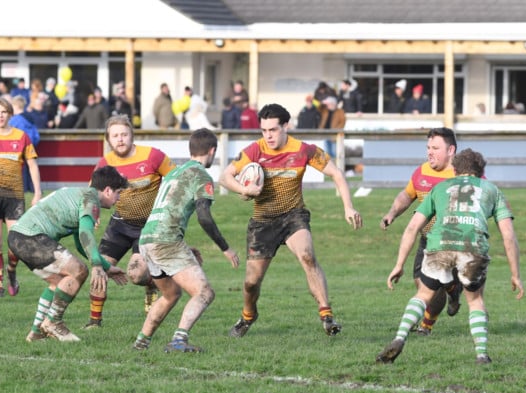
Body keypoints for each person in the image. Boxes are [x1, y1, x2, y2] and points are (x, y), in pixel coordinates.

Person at [219, 103, 363, 338]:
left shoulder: (303, 150)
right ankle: (248, 316)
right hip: (262, 222)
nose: (268, 136)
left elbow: (336, 173)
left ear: (286, 126)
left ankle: (327, 315)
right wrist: (244, 189)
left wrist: (348, 206)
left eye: (273, 130)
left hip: (293, 216)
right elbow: (224, 177)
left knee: (307, 256)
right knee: (251, 284)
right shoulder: (255, 150)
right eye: (264, 130)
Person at [376, 148, 524, 365]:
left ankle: (399, 337)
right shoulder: (493, 190)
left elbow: (412, 228)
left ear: (454, 170)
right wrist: (515, 274)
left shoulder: (439, 188)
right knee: (475, 300)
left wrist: (399, 264)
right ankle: (481, 355)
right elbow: (508, 236)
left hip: (440, 246)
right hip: (473, 249)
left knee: (423, 294)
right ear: (481, 172)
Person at [132, 128, 240, 352]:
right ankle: (179, 341)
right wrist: (226, 248)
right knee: (204, 292)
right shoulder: (201, 176)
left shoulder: (174, 172)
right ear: (212, 151)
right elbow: (204, 216)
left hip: (147, 239)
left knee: (170, 294)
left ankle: (141, 342)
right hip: (166, 240)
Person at [8, 166, 129, 342]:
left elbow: (80, 244)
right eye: (118, 193)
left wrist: (106, 267)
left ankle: (36, 332)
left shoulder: (79, 194)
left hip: (17, 237)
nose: (118, 199)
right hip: (30, 236)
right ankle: (53, 322)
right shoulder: (91, 200)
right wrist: (96, 265)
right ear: (108, 190)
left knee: (60, 282)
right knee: (79, 271)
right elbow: (85, 234)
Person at [83, 114, 177, 328]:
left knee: (136, 274)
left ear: (132, 135)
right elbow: (92, 192)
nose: (120, 139)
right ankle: (94, 322)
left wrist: (172, 208)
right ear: (108, 139)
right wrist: (93, 214)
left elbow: (177, 180)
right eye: (115, 136)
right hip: (119, 225)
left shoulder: (152, 156)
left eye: (124, 134)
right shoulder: (106, 163)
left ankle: (151, 282)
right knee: (98, 268)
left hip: (149, 227)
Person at [380, 127, 462, 336]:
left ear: (450, 150)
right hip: (428, 240)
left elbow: (485, 195)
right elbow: (407, 195)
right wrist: (392, 213)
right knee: (422, 284)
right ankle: (452, 292)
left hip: (456, 242)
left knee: (434, 285)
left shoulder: (462, 173)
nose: (429, 152)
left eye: (435, 148)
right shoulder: (422, 171)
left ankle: (426, 325)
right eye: (428, 147)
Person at [0, 97, 42, 298]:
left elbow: (32, 166)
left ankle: (11, 272)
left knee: (16, 244)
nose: (0, 116)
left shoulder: (21, 137)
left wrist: (37, 193)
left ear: (10, 114)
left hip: (14, 197)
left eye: (4, 112)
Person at [9, 95, 40, 193]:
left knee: (21, 169)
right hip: (31, 145)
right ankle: (32, 188)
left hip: (19, 147)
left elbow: (9, 132)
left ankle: (23, 188)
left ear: (16, 106)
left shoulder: (15, 120)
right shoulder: (30, 118)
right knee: (31, 167)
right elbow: (36, 135)